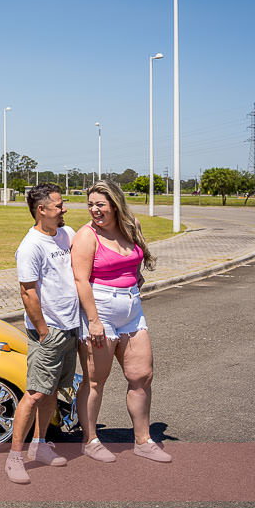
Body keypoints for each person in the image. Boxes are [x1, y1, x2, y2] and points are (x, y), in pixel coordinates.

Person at [71, 180, 171, 463]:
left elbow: (136, 257)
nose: (94, 210)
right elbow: (81, 280)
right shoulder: (87, 236)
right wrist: (93, 321)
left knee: (142, 376)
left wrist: (135, 275)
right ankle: (90, 440)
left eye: (100, 204)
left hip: (131, 310)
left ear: (115, 204)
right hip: (100, 311)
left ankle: (143, 440)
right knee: (95, 380)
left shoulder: (131, 226)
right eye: (90, 205)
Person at [5, 183, 80, 484]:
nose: (64, 209)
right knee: (35, 393)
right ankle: (14, 458)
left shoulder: (67, 234)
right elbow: (27, 293)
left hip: (69, 326)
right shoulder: (30, 246)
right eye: (59, 205)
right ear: (42, 210)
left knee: (50, 391)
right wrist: (44, 331)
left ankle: (40, 445)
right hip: (48, 332)